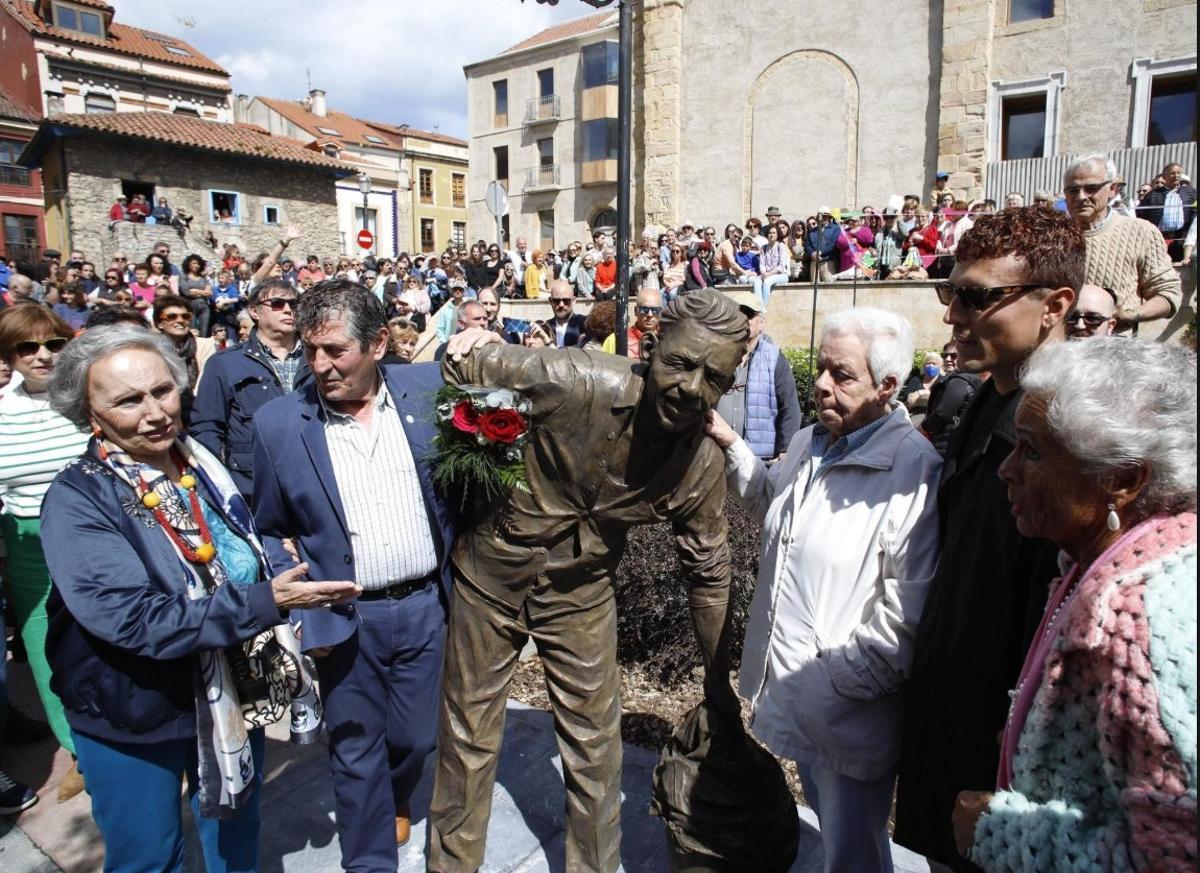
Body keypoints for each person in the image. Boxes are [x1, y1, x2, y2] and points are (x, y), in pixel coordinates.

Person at [429, 290, 748, 873]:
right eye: (681, 363)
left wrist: (718, 681)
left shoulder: (698, 462)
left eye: (714, 378)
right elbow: (463, 366)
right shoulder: (572, 376)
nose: (690, 387)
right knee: (468, 738)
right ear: (650, 349)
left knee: (596, 751)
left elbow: (708, 570)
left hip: (581, 594)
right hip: (491, 576)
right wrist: (468, 344)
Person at [39, 326, 357, 871]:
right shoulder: (78, 497)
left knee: (236, 838)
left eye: (162, 390)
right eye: (128, 400)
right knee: (148, 856)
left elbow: (243, 548)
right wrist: (265, 602)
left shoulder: (199, 464)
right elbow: (131, 618)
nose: (156, 411)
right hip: (135, 707)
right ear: (89, 414)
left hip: (233, 687)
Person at [709, 307, 942, 873]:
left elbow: (907, 609)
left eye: (841, 374)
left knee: (853, 853)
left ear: (888, 387)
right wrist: (727, 440)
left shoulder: (913, 470)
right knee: (831, 827)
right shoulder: (814, 441)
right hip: (805, 693)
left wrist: (840, 682)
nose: (819, 384)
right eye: (821, 368)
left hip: (846, 709)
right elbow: (773, 503)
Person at [953, 338, 1197, 871]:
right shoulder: (1107, 561)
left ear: (1123, 480)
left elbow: (1172, 859)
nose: (1007, 470)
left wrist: (1000, 834)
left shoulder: (1137, 621)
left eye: (1033, 451)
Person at [894, 207, 1080, 872]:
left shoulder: (1072, 437)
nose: (954, 314)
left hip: (1002, 746)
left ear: (1054, 304)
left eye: (977, 297)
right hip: (946, 715)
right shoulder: (977, 399)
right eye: (951, 293)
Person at [251, 279, 454, 869]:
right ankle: (368, 860)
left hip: (425, 608)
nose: (320, 365)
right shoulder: (280, 425)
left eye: (335, 350)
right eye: (310, 351)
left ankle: (393, 795)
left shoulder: (430, 392)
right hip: (344, 618)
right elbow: (267, 523)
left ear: (379, 343)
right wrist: (291, 577)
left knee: (416, 738)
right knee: (356, 746)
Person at [0, 306, 90, 802]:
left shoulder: (85, 397)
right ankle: (78, 749)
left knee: (108, 639)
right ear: (9, 354)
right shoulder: (0, 412)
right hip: (29, 539)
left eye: (53, 344)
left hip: (95, 531)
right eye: (26, 347)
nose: (42, 355)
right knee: (46, 652)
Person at [190, 279, 308, 505]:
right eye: (277, 303)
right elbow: (207, 427)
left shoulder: (318, 358)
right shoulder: (225, 363)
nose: (288, 309)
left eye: (294, 304)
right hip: (253, 485)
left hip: (312, 480)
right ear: (254, 311)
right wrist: (219, 483)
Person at [1063, 154, 1180, 335]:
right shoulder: (1050, 236)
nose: (1081, 196)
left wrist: (1130, 314)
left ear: (1112, 189)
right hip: (1058, 349)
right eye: (1073, 190)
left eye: (1091, 188)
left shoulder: (1141, 232)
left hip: (1115, 351)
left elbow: (1168, 293)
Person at [713, 291, 802, 461]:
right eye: (738, 314)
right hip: (717, 454)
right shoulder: (715, 356)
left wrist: (786, 449)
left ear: (762, 322)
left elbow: (789, 406)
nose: (743, 319)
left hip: (759, 461)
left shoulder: (775, 357)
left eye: (749, 314)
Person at [921, 341, 981, 457]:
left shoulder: (958, 381)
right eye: (944, 355)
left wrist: (924, 427)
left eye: (953, 356)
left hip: (947, 446)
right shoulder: (965, 378)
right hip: (953, 444)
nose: (948, 359)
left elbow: (942, 414)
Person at [1137, 161, 1197, 261]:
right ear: (1164, 176)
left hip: (1181, 240)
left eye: (1178, 173)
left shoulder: (1190, 192)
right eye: (1172, 173)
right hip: (1159, 240)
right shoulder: (1153, 194)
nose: (1176, 176)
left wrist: (1188, 231)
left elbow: (1195, 213)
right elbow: (1141, 215)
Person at [179, 254, 214, 337]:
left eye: (198, 264)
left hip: (204, 307)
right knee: (192, 331)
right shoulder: (184, 276)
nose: (196, 265)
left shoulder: (203, 278)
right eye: (194, 263)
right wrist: (202, 292)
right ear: (188, 264)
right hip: (190, 306)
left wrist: (196, 290)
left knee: (204, 331)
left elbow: (209, 293)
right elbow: (186, 292)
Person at [547, 280, 586, 348]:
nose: (561, 305)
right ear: (550, 301)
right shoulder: (545, 327)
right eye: (556, 301)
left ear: (574, 300)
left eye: (566, 301)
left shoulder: (584, 323)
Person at [626, 286, 662, 359]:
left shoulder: (668, 339)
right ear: (636, 311)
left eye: (655, 310)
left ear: (661, 312)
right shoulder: (619, 340)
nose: (650, 315)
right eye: (644, 309)